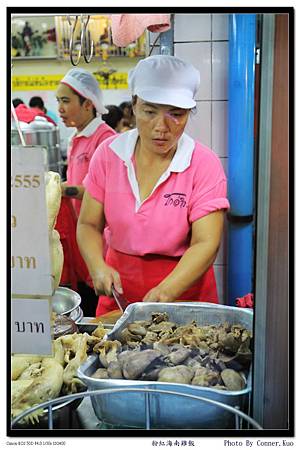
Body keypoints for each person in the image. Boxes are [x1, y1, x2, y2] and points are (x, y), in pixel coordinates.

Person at [77, 55, 230, 316]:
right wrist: (97, 265)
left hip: (183, 292)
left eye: (176, 114)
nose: (162, 127)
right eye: (150, 111)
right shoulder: (109, 154)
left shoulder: (203, 164)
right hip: (120, 291)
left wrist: (166, 292)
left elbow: (206, 242)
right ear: (134, 105)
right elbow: (89, 224)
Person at [54, 68, 117, 316]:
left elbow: (99, 193)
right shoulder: (76, 138)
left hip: (101, 237)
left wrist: (58, 189)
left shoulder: (105, 139)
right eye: (58, 100)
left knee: (98, 299)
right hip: (82, 232)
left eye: (66, 101)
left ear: (88, 104)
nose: (59, 107)